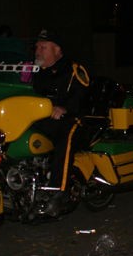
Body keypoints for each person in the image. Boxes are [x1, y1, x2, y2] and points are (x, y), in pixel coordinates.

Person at [31, 29, 90, 217]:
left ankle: (58, 194)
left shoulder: (73, 70)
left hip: (70, 120)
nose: (38, 51)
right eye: (37, 47)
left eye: (43, 47)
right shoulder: (35, 71)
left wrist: (64, 108)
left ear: (57, 50)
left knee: (65, 140)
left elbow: (81, 95)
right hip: (41, 119)